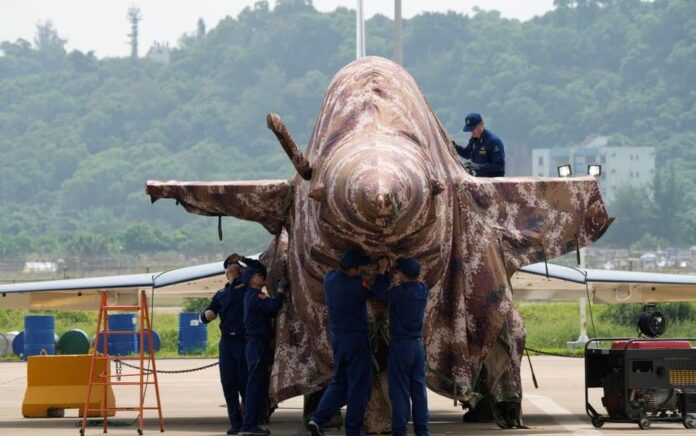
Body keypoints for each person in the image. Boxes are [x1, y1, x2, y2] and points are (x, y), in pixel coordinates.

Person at [308, 249, 373, 436]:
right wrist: (383, 272)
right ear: (352, 270)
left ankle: (317, 419)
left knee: (338, 383)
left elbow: (337, 273)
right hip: (356, 341)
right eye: (358, 268)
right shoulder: (357, 287)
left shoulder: (330, 279)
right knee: (358, 386)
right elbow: (378, 292)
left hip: (338, 340)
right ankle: (353, 430)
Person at [373, 257, 430, 436]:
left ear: (402, 274)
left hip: (401, 347)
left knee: (399, 391)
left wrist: (382, 271)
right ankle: (422, 431)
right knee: (418, 390)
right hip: (418, 347)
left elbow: (380, 293)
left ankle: (399, 431)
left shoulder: (399, 293)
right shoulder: (423, 290)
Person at [200, 253, 254, 434]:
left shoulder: (246, 290)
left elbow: (256, 272)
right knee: (228, 383)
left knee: (245, 383)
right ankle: (235, 422)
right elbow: (208, 313)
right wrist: (206, 313)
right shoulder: (221, 294)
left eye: (235, 265)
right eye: (230, 266)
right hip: (227, 343)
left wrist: (243, 265)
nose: (233, 268)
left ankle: (249, 422)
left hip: (243, 340)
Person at [240, 266, 287, 436]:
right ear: (252, 279)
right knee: (254, 386)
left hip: (256, 345)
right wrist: (281, 290)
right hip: (257, 345)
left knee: (257, 385)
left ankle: (251, 423)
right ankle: (249, 425)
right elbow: (273, 307)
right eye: (259, 275)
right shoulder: (256, 296)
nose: (262, 277)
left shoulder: (251, 296)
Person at [452, 112, 505, 177]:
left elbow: (499, 166)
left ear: (481, 124)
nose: (472, 131)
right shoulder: (475, 139)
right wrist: (454, 146)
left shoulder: (493, 141)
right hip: (480, 178)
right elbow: (467, 153)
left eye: (473, 128)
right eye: (470, 129)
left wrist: (478, 167)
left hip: (493, 180)